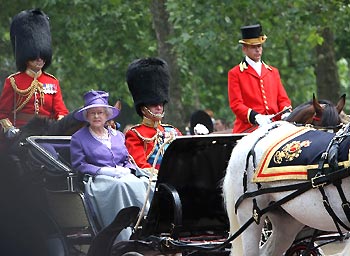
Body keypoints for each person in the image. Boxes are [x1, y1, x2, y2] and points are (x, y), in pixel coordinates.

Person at [70, 90, 150, 240]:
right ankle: (121, 234)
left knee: (145, 182)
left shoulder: (118, 135)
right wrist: (103, 171)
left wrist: (127, 169)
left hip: (122, 176)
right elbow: (79, 164)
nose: (96, 116)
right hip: (98, 180)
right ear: (86, 116)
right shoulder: (78, 138)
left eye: (100, 112)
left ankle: (143, 222)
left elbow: (127, 160)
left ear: (107, 115)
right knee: (119, 186)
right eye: (92, 113)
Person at [0, 9, 69, 139]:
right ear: (26, 55)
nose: (40, 60)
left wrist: (60, 124)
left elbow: (61, 111)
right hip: (21, 135)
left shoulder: (52, 82)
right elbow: (2, 114)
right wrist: (10, 130)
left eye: (42, 56)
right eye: (35, 56)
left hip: (47, 135)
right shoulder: (13, 81)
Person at [228, 24, 292, 133]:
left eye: (259, 46)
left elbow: (282, 99)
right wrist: (256, 117)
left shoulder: (273, 72)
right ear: (244, 49)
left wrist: (285, 112)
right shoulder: (235, 73)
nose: (257, 50)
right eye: (253, 47)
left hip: (275, 125)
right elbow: (236, 104)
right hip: (249, 127)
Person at [125, 57, 182, 172]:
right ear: (143, 108)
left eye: (161, 103)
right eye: (153, 104)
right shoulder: (135, 134)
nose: (159, 107)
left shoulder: (173, 131)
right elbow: (140, 165)